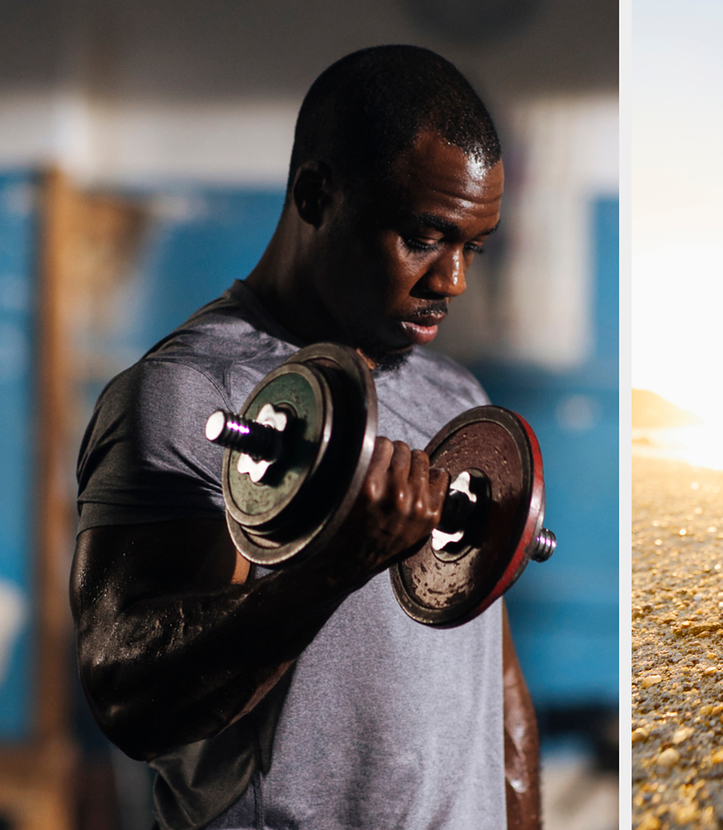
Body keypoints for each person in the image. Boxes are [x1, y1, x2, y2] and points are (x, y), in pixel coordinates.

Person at [70, 46, 539, 830]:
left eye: (472, 248)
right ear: (318, 194)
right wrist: (338, 564)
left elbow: (497, 688)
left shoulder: (458, 399)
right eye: (424, 238)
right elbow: (128, 698)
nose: (452, 281)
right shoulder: (190, 393)